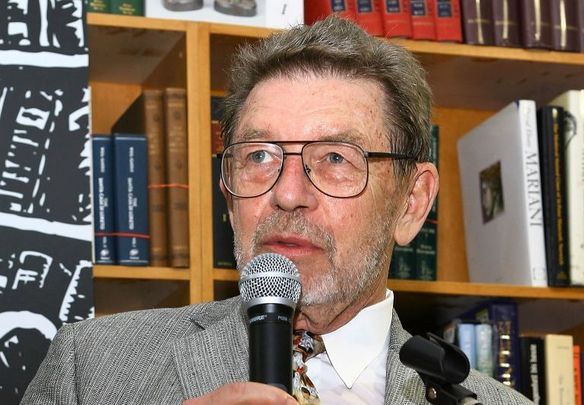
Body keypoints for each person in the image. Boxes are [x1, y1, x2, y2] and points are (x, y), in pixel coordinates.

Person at [22, 16, 532, 404]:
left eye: (335, 158)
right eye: (259, 156)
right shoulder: (91, 368)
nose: (287, 193)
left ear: (411, 203)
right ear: (227, 193)